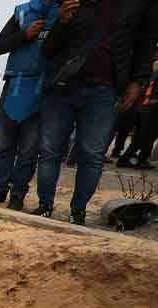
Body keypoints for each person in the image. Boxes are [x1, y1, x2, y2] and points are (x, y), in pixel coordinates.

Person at [35, 0, 157, 225]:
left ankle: (77, 211)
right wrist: (61, 22)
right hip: (61, 87)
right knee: (49, 150)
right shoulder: (75, 2)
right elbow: (48, 50)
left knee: (91, 154)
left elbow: (146, 44)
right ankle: (44, 206)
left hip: (104, 90)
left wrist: (138, 81)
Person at [0, 0, 60, 211]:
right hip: (15, 84)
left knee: (29, 149)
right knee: (3, 145)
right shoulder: (23, 12)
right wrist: (24, 35)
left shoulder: (66, 12)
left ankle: (18, 194)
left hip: (43, 87)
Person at [117, 51, 158, 169]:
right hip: (152, 106)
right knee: (146, 135)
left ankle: (131, 158)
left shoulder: (153, 70)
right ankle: (136, 159)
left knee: (144, 135)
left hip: (147, 105)